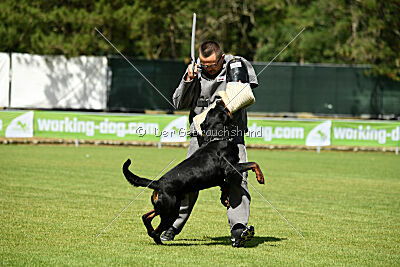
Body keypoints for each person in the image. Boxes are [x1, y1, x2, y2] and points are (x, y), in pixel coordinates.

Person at [162, 41, 258, 247]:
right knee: (186, 181)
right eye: (204, 64)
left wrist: (236, 67)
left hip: (231, 135)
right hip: (200, 137)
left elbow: (246, 92)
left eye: (212, 64)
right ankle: (172, 225)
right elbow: (178, 103)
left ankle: (238, 229)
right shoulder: (195, 72)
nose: (208, 68)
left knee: (237, 178)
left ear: (221, 58)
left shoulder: (235, 64)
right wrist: (188, 79)